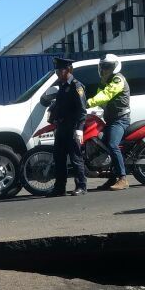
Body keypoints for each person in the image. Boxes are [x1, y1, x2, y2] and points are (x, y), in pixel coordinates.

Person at [87, 54, 131, 190]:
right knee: (102, 146)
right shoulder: (105, 81)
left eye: (107, 67)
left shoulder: (118, 80)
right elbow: (102, 98)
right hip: (110, 120)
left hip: (120, 120)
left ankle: (123, 178)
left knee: (112, 145)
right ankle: (112, 178)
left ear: (115, 67)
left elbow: (107, 94)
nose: (104, 70)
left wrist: (88, 102)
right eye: (103, 67)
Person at [47, 56, 88, 196]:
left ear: (68, 69)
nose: (58, 73)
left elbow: (82, 110)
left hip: (72, 127)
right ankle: (59, 188)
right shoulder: (62, 85)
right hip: (61, 127)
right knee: (59, 158)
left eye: (60, 70)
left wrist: (79, 129)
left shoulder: (76, 86)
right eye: (57, 71)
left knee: (76, 158)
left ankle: (81, 186)